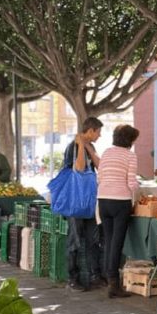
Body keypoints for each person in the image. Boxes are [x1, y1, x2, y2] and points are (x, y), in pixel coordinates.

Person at [97, 124, 140, 300]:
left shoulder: (106, 152)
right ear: (129, 140)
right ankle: (114, 284)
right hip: (120, 201)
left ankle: (110, 280)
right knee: (117, 243)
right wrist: (137, 195)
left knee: (108, 240)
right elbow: (131, 183)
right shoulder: (130, 156)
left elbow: (99, 177)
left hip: (103, 200)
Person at [62, 117, 103, 292]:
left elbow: (100, 166)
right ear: (91, 130)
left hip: (88, 201)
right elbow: (78, 168)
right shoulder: (72, 147)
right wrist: (80, 146)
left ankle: (96, 276)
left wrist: (87, 147)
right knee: (75, 240)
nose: (99, 136)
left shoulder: (90, 146)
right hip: (75, 201)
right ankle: (73, 279)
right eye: (98, 132)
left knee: (93, 240)